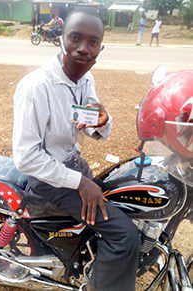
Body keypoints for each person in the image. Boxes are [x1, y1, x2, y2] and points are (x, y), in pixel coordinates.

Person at [13, 7, 139, 291]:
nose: (83, 48)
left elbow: (91, 126)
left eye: (93, 42)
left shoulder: (85, 79)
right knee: (124, 235)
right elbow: (26, 158)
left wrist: (103, 122)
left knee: (126, 202)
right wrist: (81, 183)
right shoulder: (36, 87)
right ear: (61, 39)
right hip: (49, 182)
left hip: (75, 167)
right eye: (75, 38)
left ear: (100, 48)